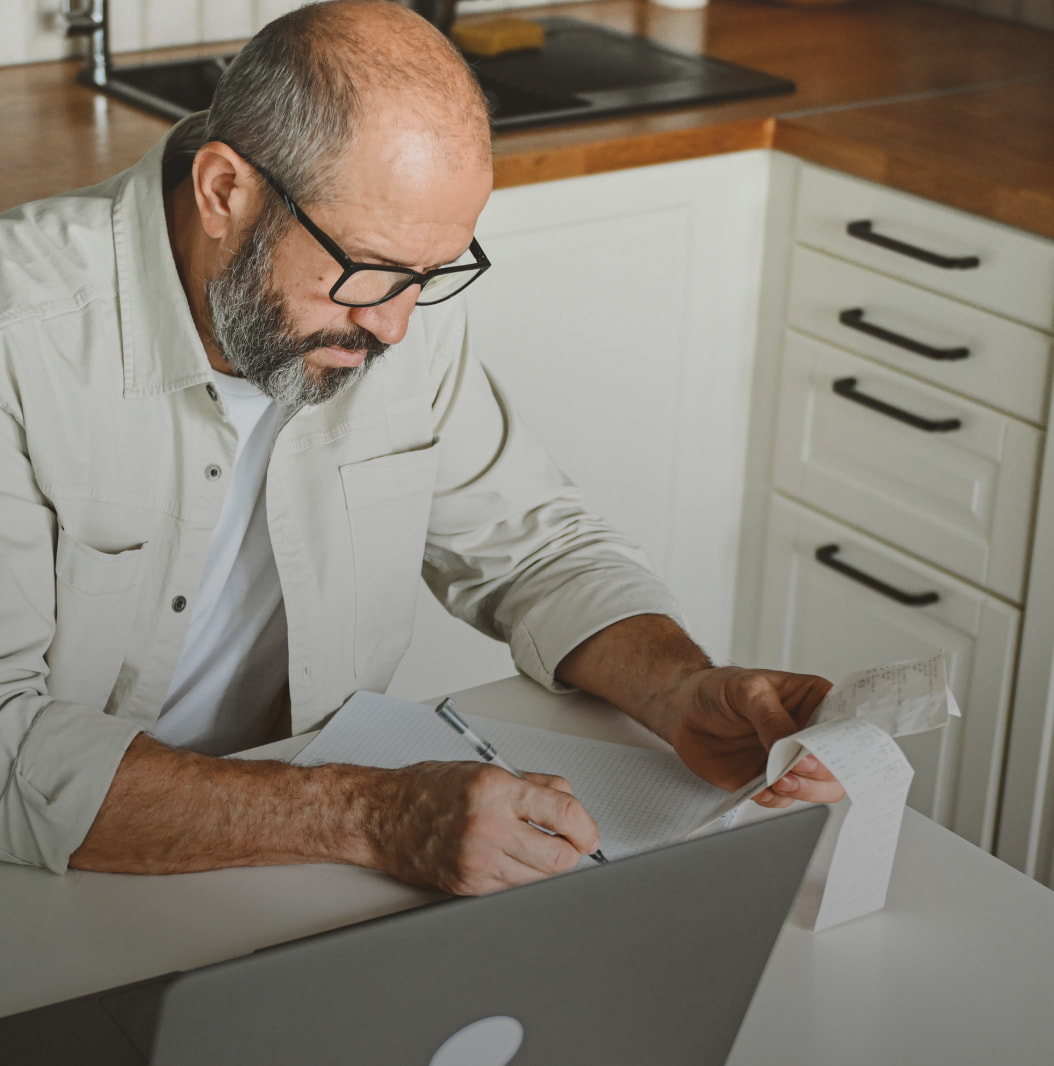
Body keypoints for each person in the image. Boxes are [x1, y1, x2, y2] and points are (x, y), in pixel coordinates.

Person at [0, 0, 841, 894]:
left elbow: (538, 549)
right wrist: (373, 816)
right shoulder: (21, 339)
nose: (396, 329)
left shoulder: (382, 300)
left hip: (288, 853)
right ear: (221, 192)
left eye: (429, 279)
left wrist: (681, 690)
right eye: (368, 272)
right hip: (52, 876)